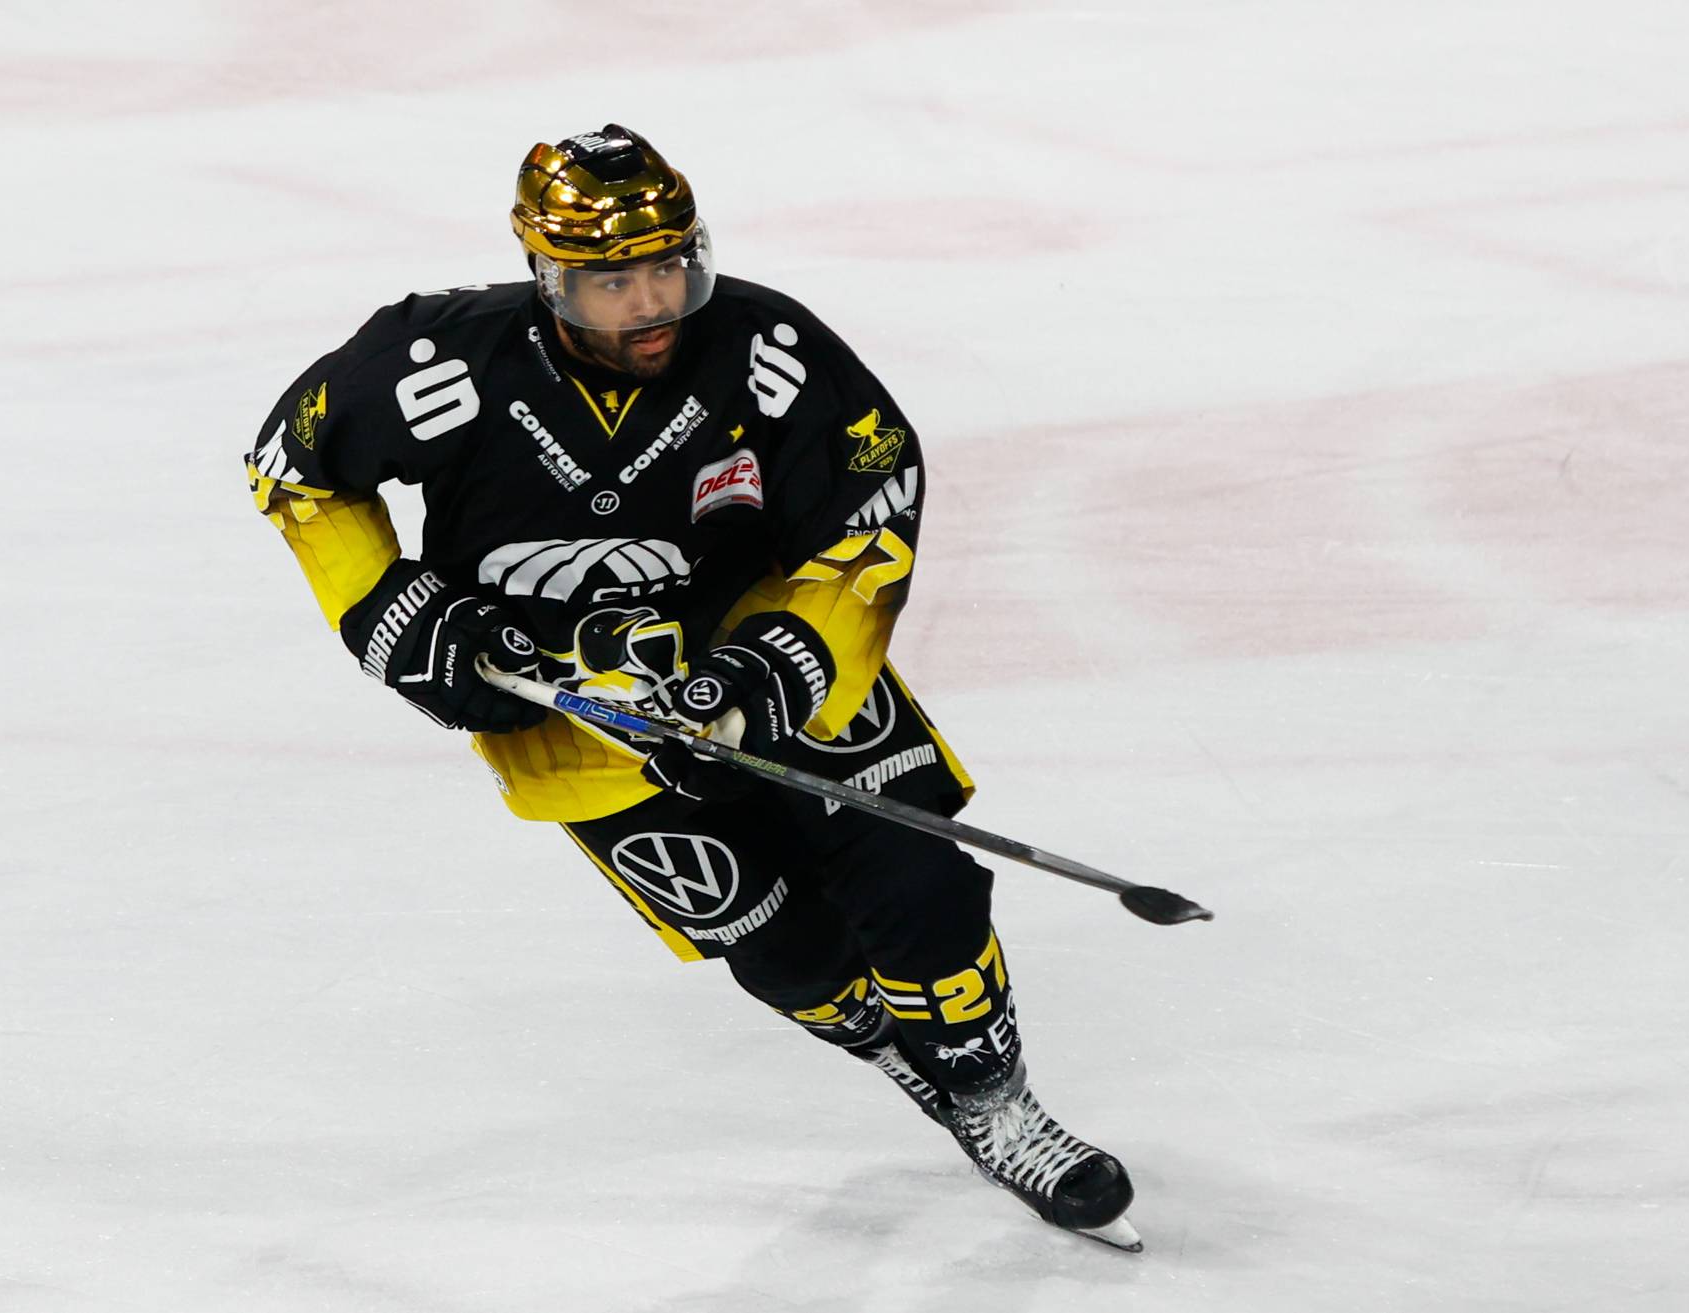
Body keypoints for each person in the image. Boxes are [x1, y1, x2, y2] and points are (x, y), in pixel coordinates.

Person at [244, 125, 1141, 1250]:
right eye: (613, 282)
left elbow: (874, 491)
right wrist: (399, 616)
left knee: (921, 883)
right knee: (779, 942)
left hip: (763, 663)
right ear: (547, 275)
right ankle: (892, 1050)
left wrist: (775, 665)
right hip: (570, 713)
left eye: (668, 266)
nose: (652, 302)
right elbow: (292, 465)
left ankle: (996, 1101)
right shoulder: (440, 361)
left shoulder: (765, 345)